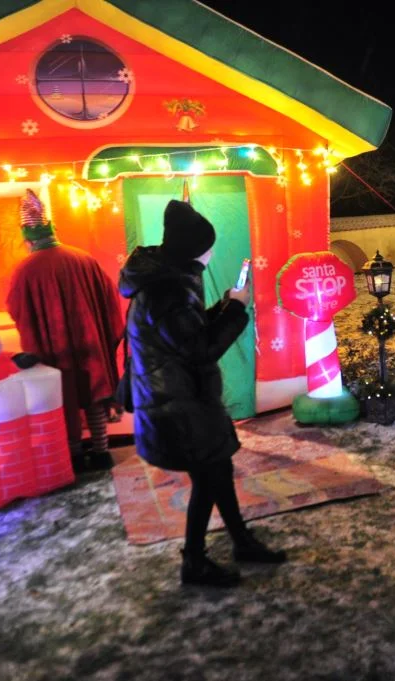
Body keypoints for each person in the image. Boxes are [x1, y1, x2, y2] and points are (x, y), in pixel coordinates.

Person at [118, 199, 286, 588]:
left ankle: (241, 541)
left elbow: (184, 334)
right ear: (195, 249)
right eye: (208, 246)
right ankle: (194, 561)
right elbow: (199, 350)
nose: (211, 253)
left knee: (219, 469)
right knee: (209, 478)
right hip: (179, 406)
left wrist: (222, 305)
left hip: (182, 398)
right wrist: (236, 311)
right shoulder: (169, 290)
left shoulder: (167, 280)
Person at [6, 190, 124, 472]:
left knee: (64, 401)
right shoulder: (83, 259)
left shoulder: (25, 270)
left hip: (54, 349)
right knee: (94, 396)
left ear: (27, 238)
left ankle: (73, 456)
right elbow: (110, 298)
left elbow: (16, 308)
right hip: (91, 341)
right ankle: (101, 451)